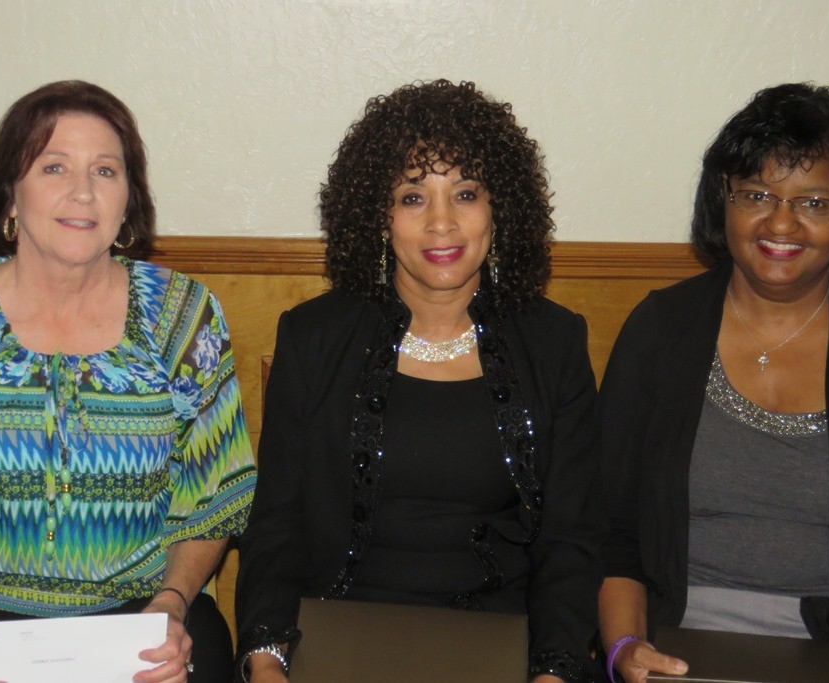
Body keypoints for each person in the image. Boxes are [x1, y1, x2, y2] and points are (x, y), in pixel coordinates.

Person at [234, 80, 604, 683]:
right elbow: (277, 527)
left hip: (503, 646)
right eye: (411, 197)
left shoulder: (554, 343)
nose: (442, 223)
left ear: (499, 207)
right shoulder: (312, 337)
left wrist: (554, 671)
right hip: (333, 634)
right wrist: (267, 659)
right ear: (377, 218)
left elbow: (571, 539)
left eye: (465, 193)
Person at [0, 81, 256, 683]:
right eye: (53, 167)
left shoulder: (181, 317)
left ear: (127, 202)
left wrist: (172, 606)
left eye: (105, 170)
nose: (82, 192)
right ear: (9, 196)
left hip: (141, 613)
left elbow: (212, 504)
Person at [596, 82, 829, 683]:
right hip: (675, 645)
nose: (781, 222)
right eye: (757, 193)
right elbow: (612, 531)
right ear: (723, 197)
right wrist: (624, 651)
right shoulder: (660, 328)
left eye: (814, 202)